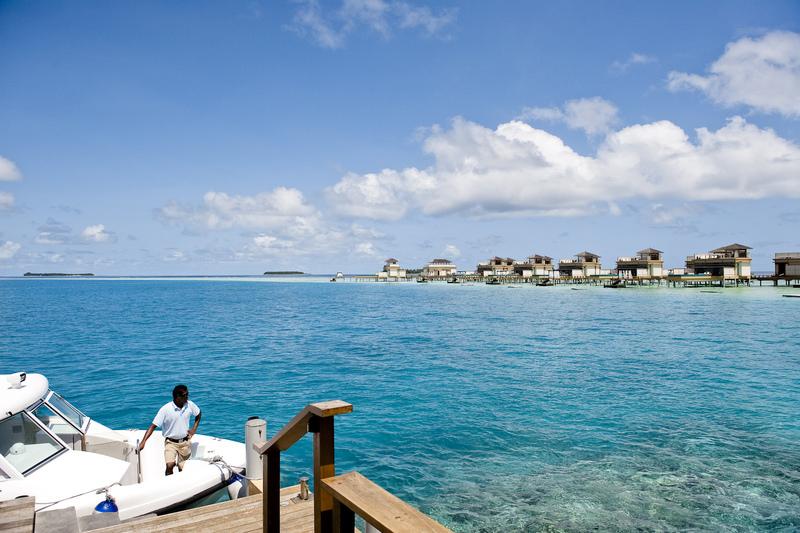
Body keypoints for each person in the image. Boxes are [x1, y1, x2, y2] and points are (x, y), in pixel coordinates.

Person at [137, 384, 202, 475]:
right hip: (170, 443)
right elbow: (152, 427)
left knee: (182, 468)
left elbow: (198, 414)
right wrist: (143, 442)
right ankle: (169, 484)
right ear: (178, 396)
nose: (187, 397)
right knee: (169, 466)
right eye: (185, 395)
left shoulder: (190, 405)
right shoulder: (165, 409)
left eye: (188, 394)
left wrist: (194, 429)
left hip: (185, 442)